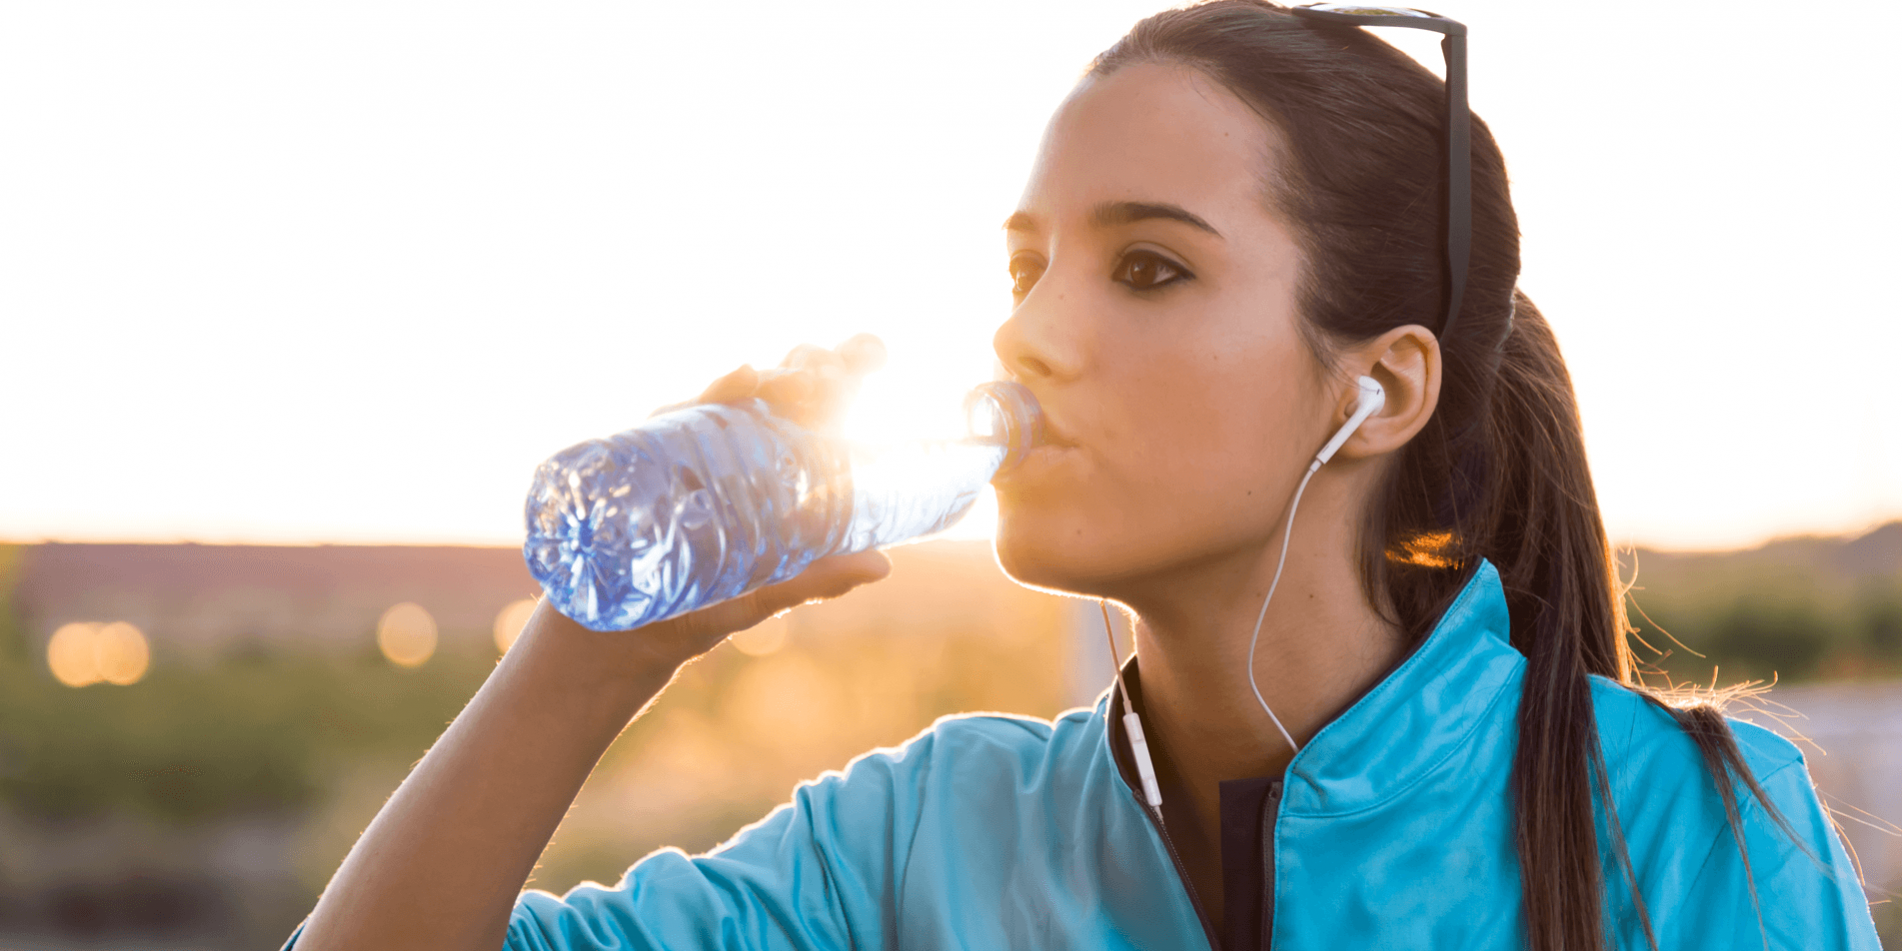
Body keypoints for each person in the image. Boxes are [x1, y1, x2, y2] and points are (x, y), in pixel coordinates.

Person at [283, 3, 1880, 949]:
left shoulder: (1690, 827)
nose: (1028, 334)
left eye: (1151, 271)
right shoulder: (916, 843)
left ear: (1378, 384)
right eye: (1027, 263)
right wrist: (595, 653)